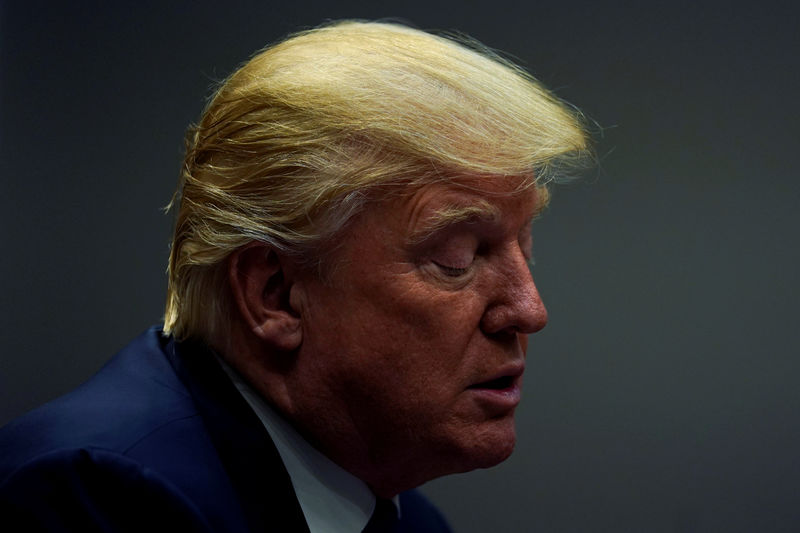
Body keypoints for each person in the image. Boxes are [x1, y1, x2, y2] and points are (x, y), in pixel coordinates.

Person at [0, 20, 590, 532]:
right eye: (458, 258)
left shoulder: (406, 521)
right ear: (275, 295)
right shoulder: (93, 498)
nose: (528, 310)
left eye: (525, 250)